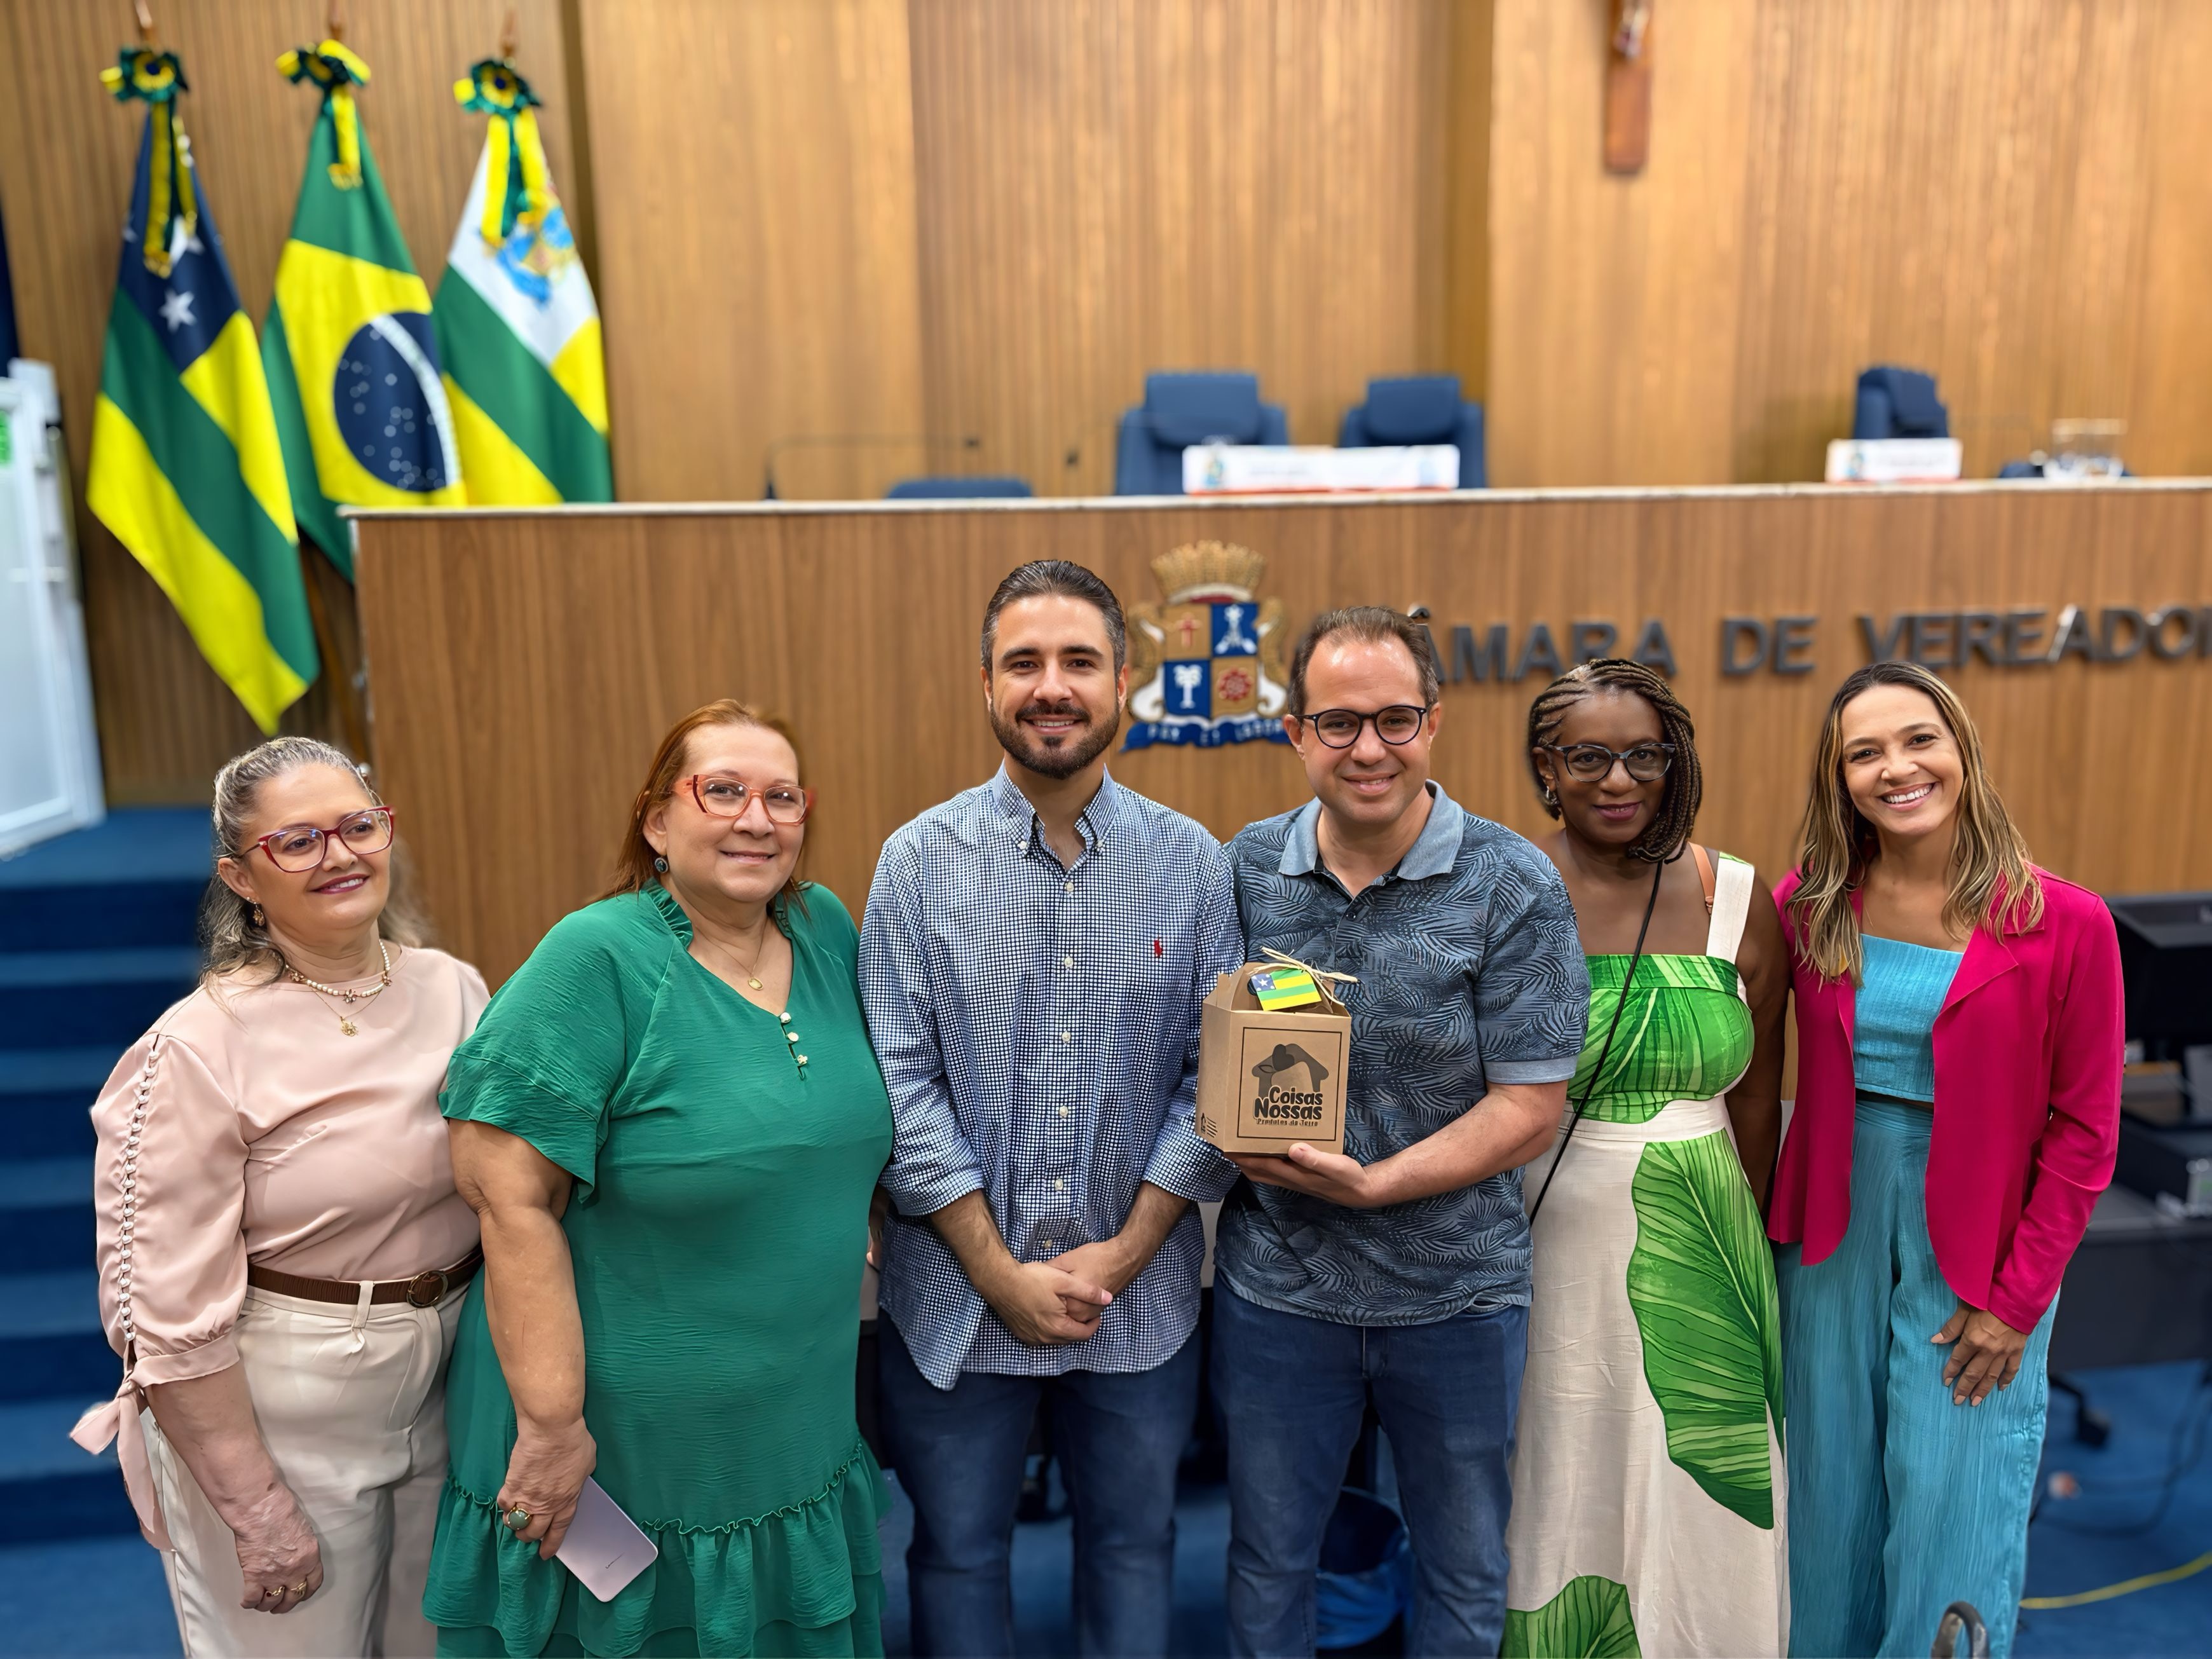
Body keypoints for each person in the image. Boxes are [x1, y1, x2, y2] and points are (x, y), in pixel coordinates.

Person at [423, 702, 892, 1658]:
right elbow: (508, 1200)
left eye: (782, 796)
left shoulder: (826, 928)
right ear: (655, 821)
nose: (755, 819)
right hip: (626, 1447)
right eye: (720, 790)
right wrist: (553, 1428)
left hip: (789, 1421)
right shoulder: (594, 958)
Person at [858, 559, 1243, 1658]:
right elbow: (901, 1080)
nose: (1052, 685)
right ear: (985, 684)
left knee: (1135, 1548)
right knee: (957, 1555)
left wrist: (1122, 1255)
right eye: (1024, 662)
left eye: (1079, 660)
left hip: (1142, 1300)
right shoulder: (917, 863)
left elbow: (1212, 1086)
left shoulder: (1193, 865)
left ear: (1124, 680)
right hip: (955, 1302)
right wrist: (997, 1272)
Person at [1216, 606, 1588, 1658]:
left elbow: (1529, 1104)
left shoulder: (1513, 881)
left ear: (1435, 721)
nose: (1368, 748)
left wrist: (1378, 1186)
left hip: (1457, 1298)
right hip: (1282, 1292)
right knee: (1269, 1562)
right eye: (1337, 722)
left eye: (1394, 718)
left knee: (1465, 1567)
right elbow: (1200, 1047)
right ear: (1294, 732)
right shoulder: (1243, 870)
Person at [73, 737, 488, 1657]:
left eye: (358, 827)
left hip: (454, 1373)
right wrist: (254, 1506)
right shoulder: (197, 1044)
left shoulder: (453, 987)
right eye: (296, 842)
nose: (339, 855)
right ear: (242, 876)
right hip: (285, 1406)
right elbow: (165, 1315)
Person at [1771, 662, 2123, 1659]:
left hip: (1979, 1245)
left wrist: (2018, 1302)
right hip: (1831, 1236)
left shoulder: (2068, 922)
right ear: (1839, 779)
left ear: (1961, 747)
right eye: (1864, 752)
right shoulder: (1812, 905)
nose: (1897, 767)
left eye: (1918, 738)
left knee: (1950, 1503)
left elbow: (2087, 1134)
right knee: (1827, 1510)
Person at [1504, 660, 1790, 1657]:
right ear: (1548, 767)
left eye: (1643, 754)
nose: (1618, 778)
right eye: (1588, 755)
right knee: (1560, 1472)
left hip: (1706, 1241)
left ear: (1675, 764)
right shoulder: (1505, 886)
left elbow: (1756, 1100)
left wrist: (1745, 1245)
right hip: (1541, 1239)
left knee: (1697, 1488)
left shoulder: (1740, 897)